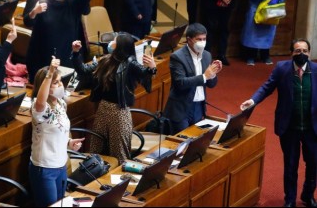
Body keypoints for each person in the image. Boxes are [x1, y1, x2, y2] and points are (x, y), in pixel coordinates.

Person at [240, 39, 317, 208]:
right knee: (290, 165)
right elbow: (267, 87)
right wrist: (252, 101)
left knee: (313, 163)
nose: (301, 54)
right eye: (297, 51)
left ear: (309, 53)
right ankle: (290, 199)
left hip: (312, 128)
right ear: (292, 53)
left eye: (304, 50)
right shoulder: (282, 68)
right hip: (289, 126)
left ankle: (307, 195)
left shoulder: (316, 70)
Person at [71, 33, 157, 164]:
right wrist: (76, 53)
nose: (111, 43)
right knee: (96, 149)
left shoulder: (130, 63)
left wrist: (152, 68)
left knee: (119, 153)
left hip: (119, 112)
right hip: (103, 108)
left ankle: (121, 180)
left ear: (120, 46)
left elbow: (144, 73)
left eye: (114, 41)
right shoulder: (106, 59)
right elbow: (83, 70)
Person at [24, 0, 93, 83]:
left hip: (66, 55)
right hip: (42, 56)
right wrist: (34, 12)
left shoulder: (73, 5)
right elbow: (27, 22)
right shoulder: (42, 5)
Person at [28, 57, 84, 207]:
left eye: (60, 81)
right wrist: (49, 73)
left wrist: (69, 143)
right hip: (44, 169)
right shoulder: (39, 107)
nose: (60, 84)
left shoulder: (60, 103)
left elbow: (60, 130)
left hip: (61, 165)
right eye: (56, 82)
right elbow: (41, 102)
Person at [162, 23, 223, 134]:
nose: (202, 42)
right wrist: (205, 76)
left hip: (199, 108)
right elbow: (180, 83)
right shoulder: (177, 57)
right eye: (199, 39)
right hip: (181, 108)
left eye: (204, 39)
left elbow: (211, 85)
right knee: (181, 145)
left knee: (196, 141)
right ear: (189, 40)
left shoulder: (207, 55)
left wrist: (213, 73)